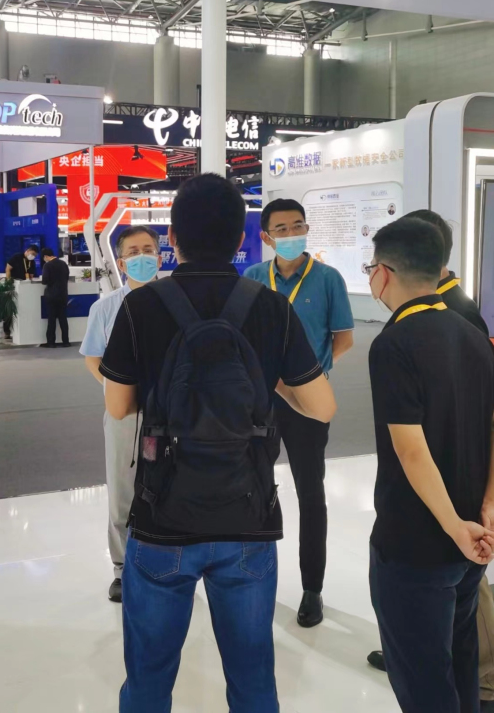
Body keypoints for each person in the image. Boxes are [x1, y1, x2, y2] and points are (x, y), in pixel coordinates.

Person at [100, 174, 336, 712]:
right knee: (253, 680)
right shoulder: (271, 307)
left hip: (162, 515)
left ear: (172, 239)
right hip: (247, 515)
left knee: (148, 680)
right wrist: (268, 384)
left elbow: (118, 406)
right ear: (242, 239)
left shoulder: (141, 306)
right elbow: (322, 407)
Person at [365, 217, 494, 713]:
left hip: (415, 543)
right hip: (470, 541)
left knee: (422, 681)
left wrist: (453, 526)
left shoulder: (394, 343)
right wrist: (484, 509)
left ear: (384, 272)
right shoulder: (472, 334)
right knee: (460, 662)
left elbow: (411, 450)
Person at [245, 198, 355, 627]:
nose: (291, 235)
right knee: (252, 485)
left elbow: (343, 339)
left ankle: (312, 588)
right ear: (267, 237)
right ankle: (250, 576)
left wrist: (316, 375)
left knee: (311, 492)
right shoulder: (254, 278)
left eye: (298, 226)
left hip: (308, 401)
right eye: (282, 229)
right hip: (260, 398)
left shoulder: (327, 279)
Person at [79, 225, 162, 603]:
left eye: (148, 249)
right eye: (133, 252)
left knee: (169, 487)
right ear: (122, 262)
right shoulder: (106, 308)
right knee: (123, 492)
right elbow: (93, 357)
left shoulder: (176, 302)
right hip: (124, 415)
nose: (142, 257)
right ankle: (122, 567)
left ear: (160, 256)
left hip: (169, 414)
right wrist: (118, 392)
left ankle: (167, 561)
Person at [4, 244, 38, 339]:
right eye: (32, 253)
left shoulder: (32, 262)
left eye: (35, 255)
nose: (33, 256)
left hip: (25, 287)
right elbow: (8, 269)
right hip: (14, 285)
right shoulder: (17, 257)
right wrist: (8, 282)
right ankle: (7, 330)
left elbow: (31, 275)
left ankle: (23, 329)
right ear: (27, 251)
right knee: (10, 308)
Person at [40, 247, 70, 348]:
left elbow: (45, 281)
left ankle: (51, 342)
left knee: (51, 319)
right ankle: (66, 341)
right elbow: (67, 277)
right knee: (63, 319)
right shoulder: (63, 264)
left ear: (45, 256)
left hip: (51, 295)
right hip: (63, 295)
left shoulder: (47, 265)